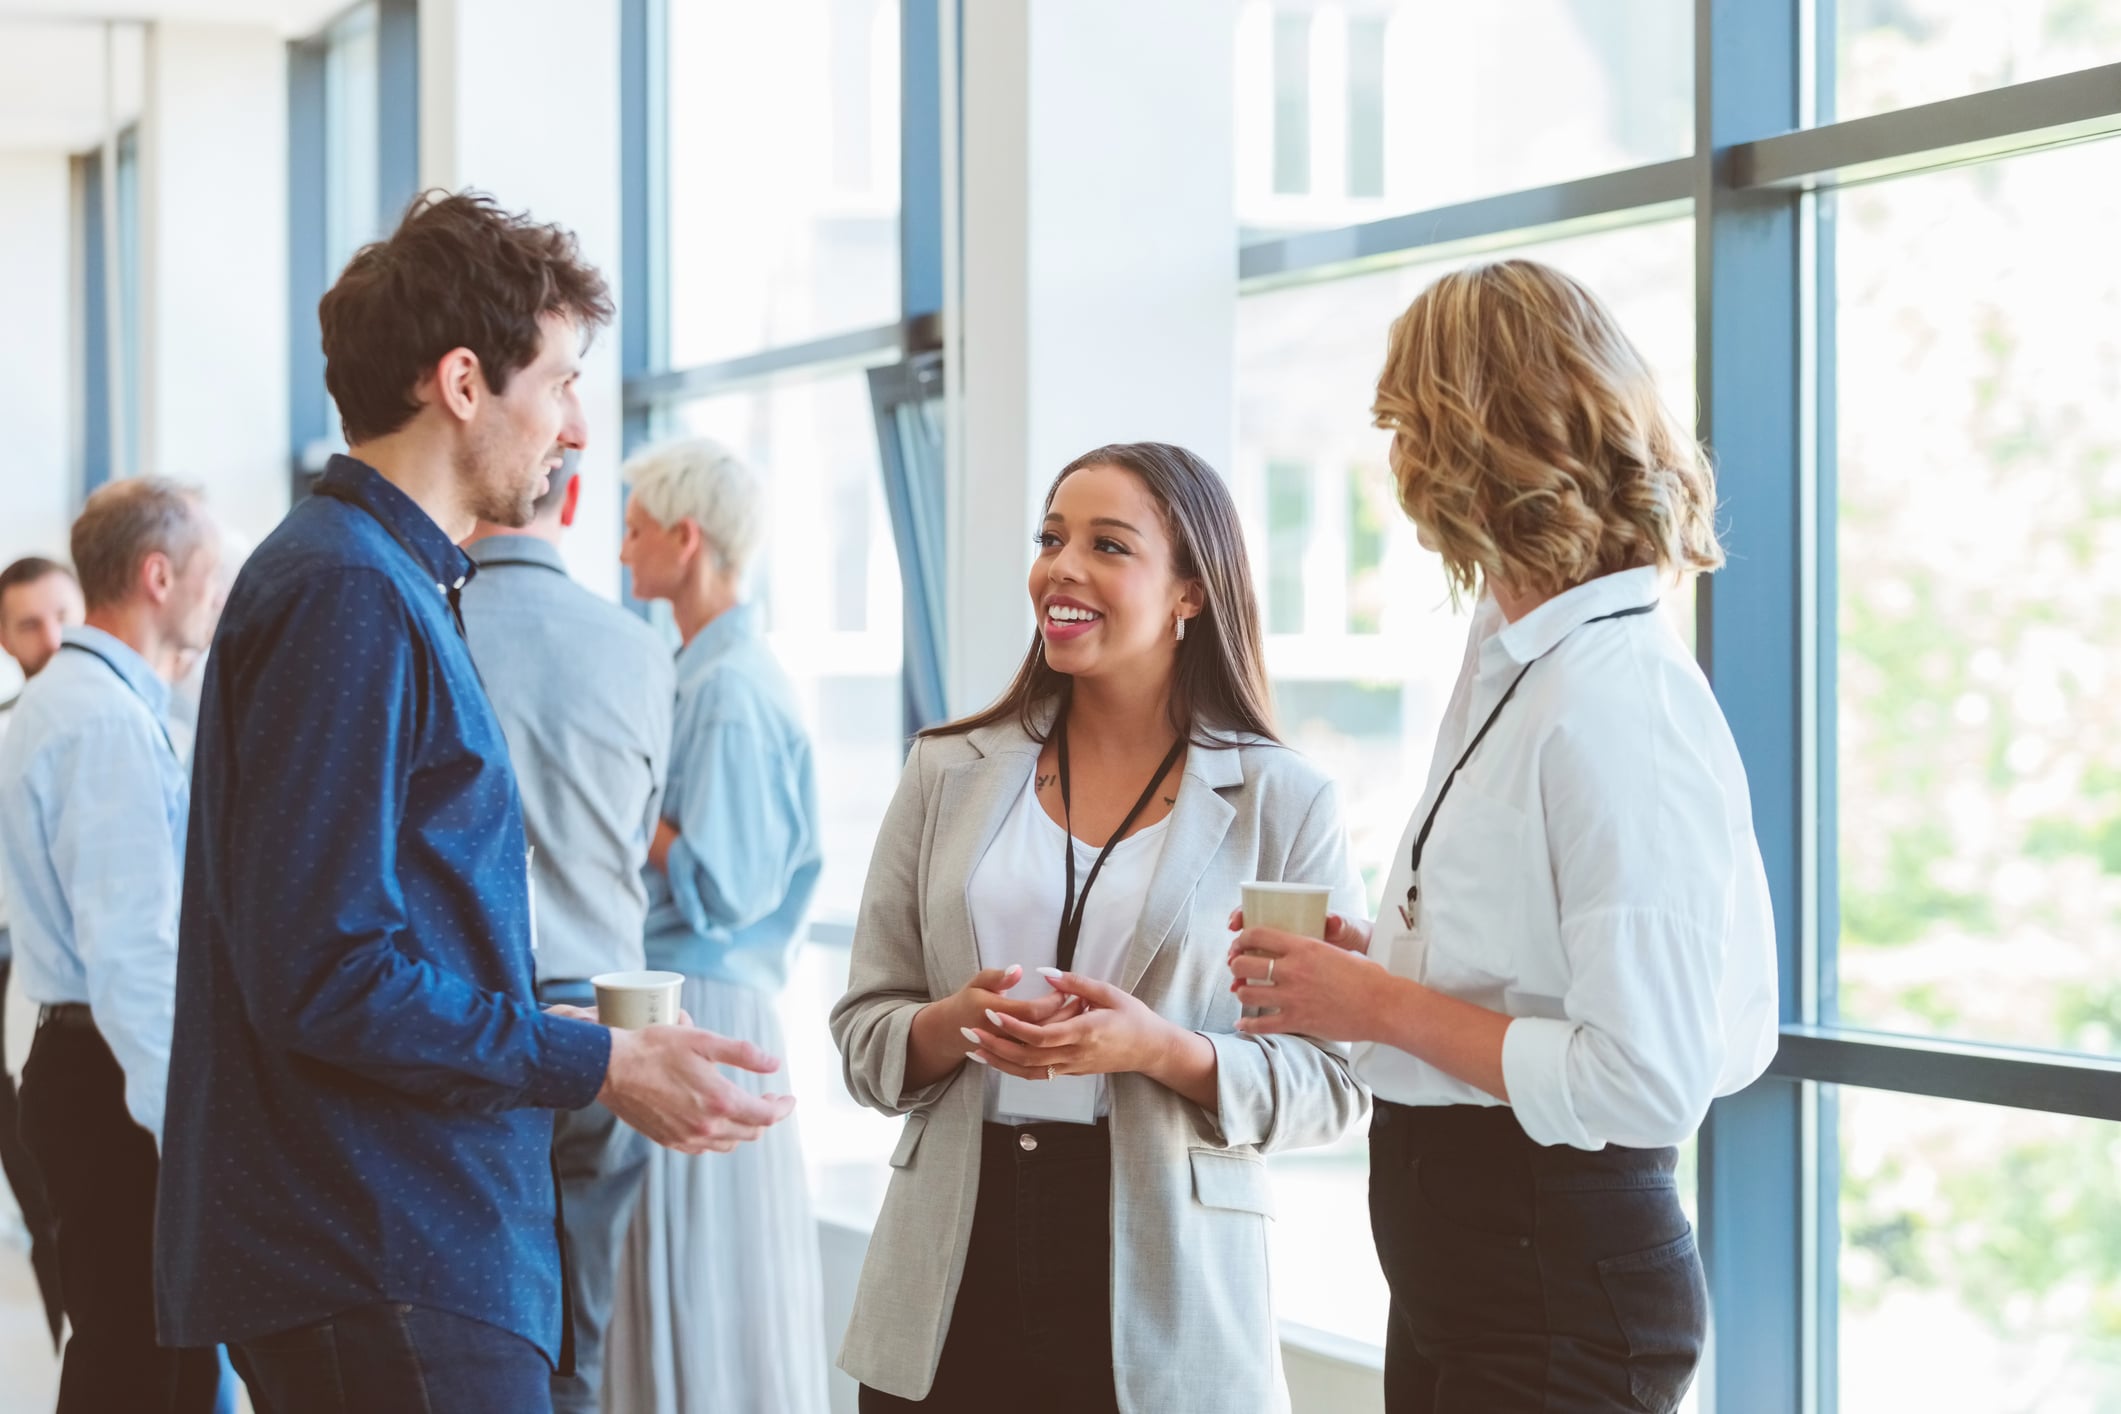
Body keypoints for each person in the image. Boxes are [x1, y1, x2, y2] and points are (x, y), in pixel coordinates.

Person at [154, 191, 796, 1414]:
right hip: (385, 1242)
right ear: (461, 382)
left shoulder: (376, 578)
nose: (574, 428)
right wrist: (597, 1059)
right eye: (557, 383)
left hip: (398, 1239)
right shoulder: (348, 592)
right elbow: (330, 974)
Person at [1225, 260, 1779, 1414]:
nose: (1394, 465)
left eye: (1405, 427)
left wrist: (1377, 1005)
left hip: (1553, 1294)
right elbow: (1539, 973)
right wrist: (1380, 964)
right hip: (1476, 1279)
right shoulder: (1523, 665)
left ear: (1467, 443)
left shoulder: (1614, 702)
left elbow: (1641, 1078)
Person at [832, 442, 1368, 1413]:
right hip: (950, 1269)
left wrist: (1162, 1049)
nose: (1062, 567)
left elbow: (1334, 1084)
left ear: (1190, 593)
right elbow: (865, 1032)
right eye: (1050, 538)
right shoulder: (944, 771)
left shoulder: (1283, 800)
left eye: (1109, 545)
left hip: (1169, 1287)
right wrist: (954, 1021)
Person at [605, 436, 831, 1414]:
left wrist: (628, 813)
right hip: (689, 999)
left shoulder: (730, 689)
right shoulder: (699, 670)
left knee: (701, 1281)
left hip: (708, 998)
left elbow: (725, 880)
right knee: (681, 1276)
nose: (622, 551)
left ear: (686, 540)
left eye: (636, 528)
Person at [0, 485, 226, 1413]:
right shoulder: (100, 722)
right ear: (158, 576)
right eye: (213, 571)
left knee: (148, 1359)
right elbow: (136, 959)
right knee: (137, 1368)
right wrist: (195, 1137)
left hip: (93, 1065)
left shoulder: (91, 704)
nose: (223, 592)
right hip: (113, 1077)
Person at [460, 449, 675, 1414]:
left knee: (466, 1325)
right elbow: (637, 828)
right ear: (577, 498)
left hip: (471, 1025)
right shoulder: (638, 648)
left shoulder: (432, 624)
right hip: (610, 1017)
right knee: (577, 1328)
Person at [0, 555, 82, 1351]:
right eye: (29, 623)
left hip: (96, 1000)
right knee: (47, 1205)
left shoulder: (131, 716)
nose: (52, 639)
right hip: (20, 997)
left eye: (63, 614)